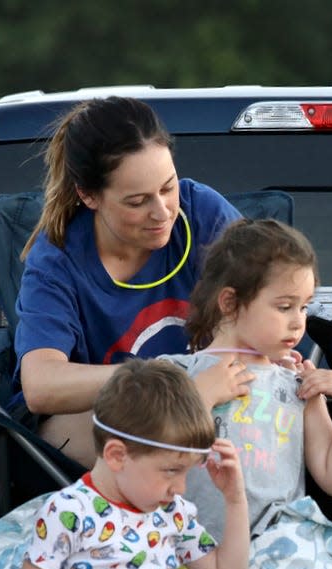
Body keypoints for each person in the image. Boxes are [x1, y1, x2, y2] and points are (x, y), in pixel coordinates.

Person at [14, 96, 246, 466]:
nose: (162, 212)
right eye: (137, 202)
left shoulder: (201, 212)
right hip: (102, 424)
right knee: (147, 434)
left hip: (215, 408)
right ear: (88, 196)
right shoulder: (57, 259)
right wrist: (175, 378)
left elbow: (279, 289)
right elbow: (41, 386)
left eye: (168, 188)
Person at [159, 218, 332, 538]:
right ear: (230, 303)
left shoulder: (297, 385)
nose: (298, 323)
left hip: (277, 555)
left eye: (304, 307)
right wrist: (200, 397)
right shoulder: (175, 374)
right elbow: (146, 464)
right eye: (284, 306)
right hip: (192, 556)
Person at [8, 358, 250, 569]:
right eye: (171, 471)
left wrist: (235, 499)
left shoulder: (172, 512)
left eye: (186, 472)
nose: (180, 489)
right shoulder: (69, 512)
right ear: (117, 456)